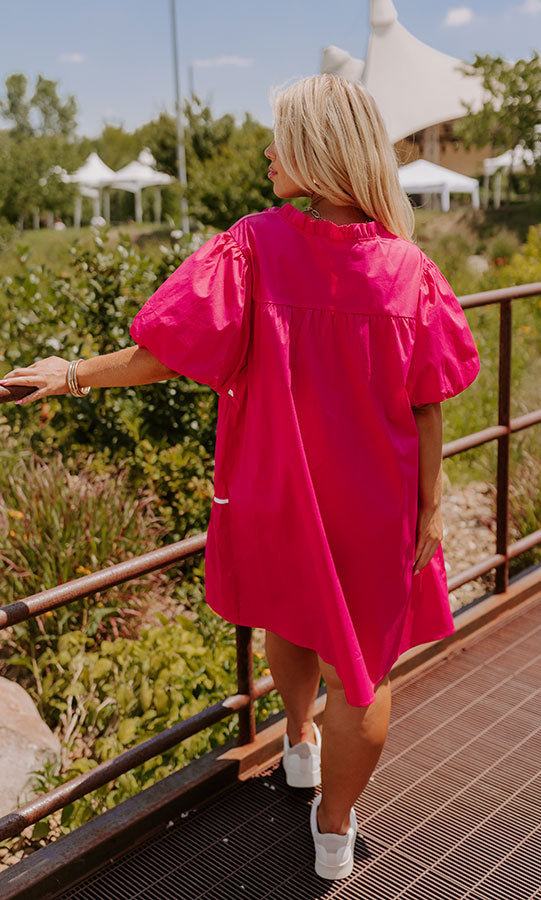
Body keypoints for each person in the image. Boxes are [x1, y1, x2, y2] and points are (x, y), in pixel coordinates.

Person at [0, 74, 480, 881]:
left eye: (278, 139)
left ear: (317, 153)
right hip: (378, 505)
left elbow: (163, 354)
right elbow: (428, 406)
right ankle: (334, 827)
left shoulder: (253, 246)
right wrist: (431, 509)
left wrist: (73, 372)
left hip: (275, 491)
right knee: (360, 674)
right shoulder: (410, 270)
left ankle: (298, 740)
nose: (265, 153)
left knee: (288, 618)